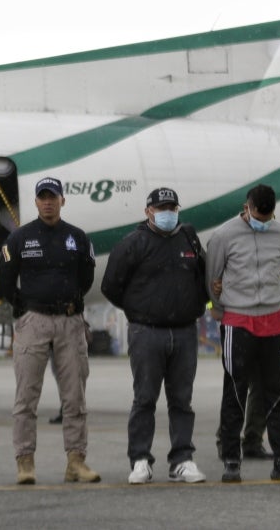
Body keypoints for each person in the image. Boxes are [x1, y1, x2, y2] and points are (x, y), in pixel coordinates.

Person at [101, 187, 208, 485]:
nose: (167, 213)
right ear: (148, 211)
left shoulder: (189, 238)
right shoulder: (132, 244)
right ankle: (139, 460)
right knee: (145, 399)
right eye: (161, 208)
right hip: (146, 332)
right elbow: (111, 286)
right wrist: (138, 309)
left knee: (182, 401)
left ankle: (182, 460)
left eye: (172, 207)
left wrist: (195, 306)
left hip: (185, 332)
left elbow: (204, 276)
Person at [0, 177, 100, 484]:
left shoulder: (78, 237)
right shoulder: (19, 238)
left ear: (62, 201)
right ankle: (25, 462)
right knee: (26, 397)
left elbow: (86, 277)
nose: (47, 202)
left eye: (53, 197)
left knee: (74, 397)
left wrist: (68, 302)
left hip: (70, 323)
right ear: (35, 202)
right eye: (42, 197)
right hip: (34, 322)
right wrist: (23, 308)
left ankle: (76, 461)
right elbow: (5, 279)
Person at [205, 185, 280, 483]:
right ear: (246, 208)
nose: (264, 221)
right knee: (235, 392)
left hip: (274, 319)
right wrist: (222, 308)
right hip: (239, 320)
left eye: (269, 216)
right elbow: (213, 277)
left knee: (274, 394)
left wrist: (275, 294)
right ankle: (232, 460)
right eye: (258, 215)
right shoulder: (224, 236)